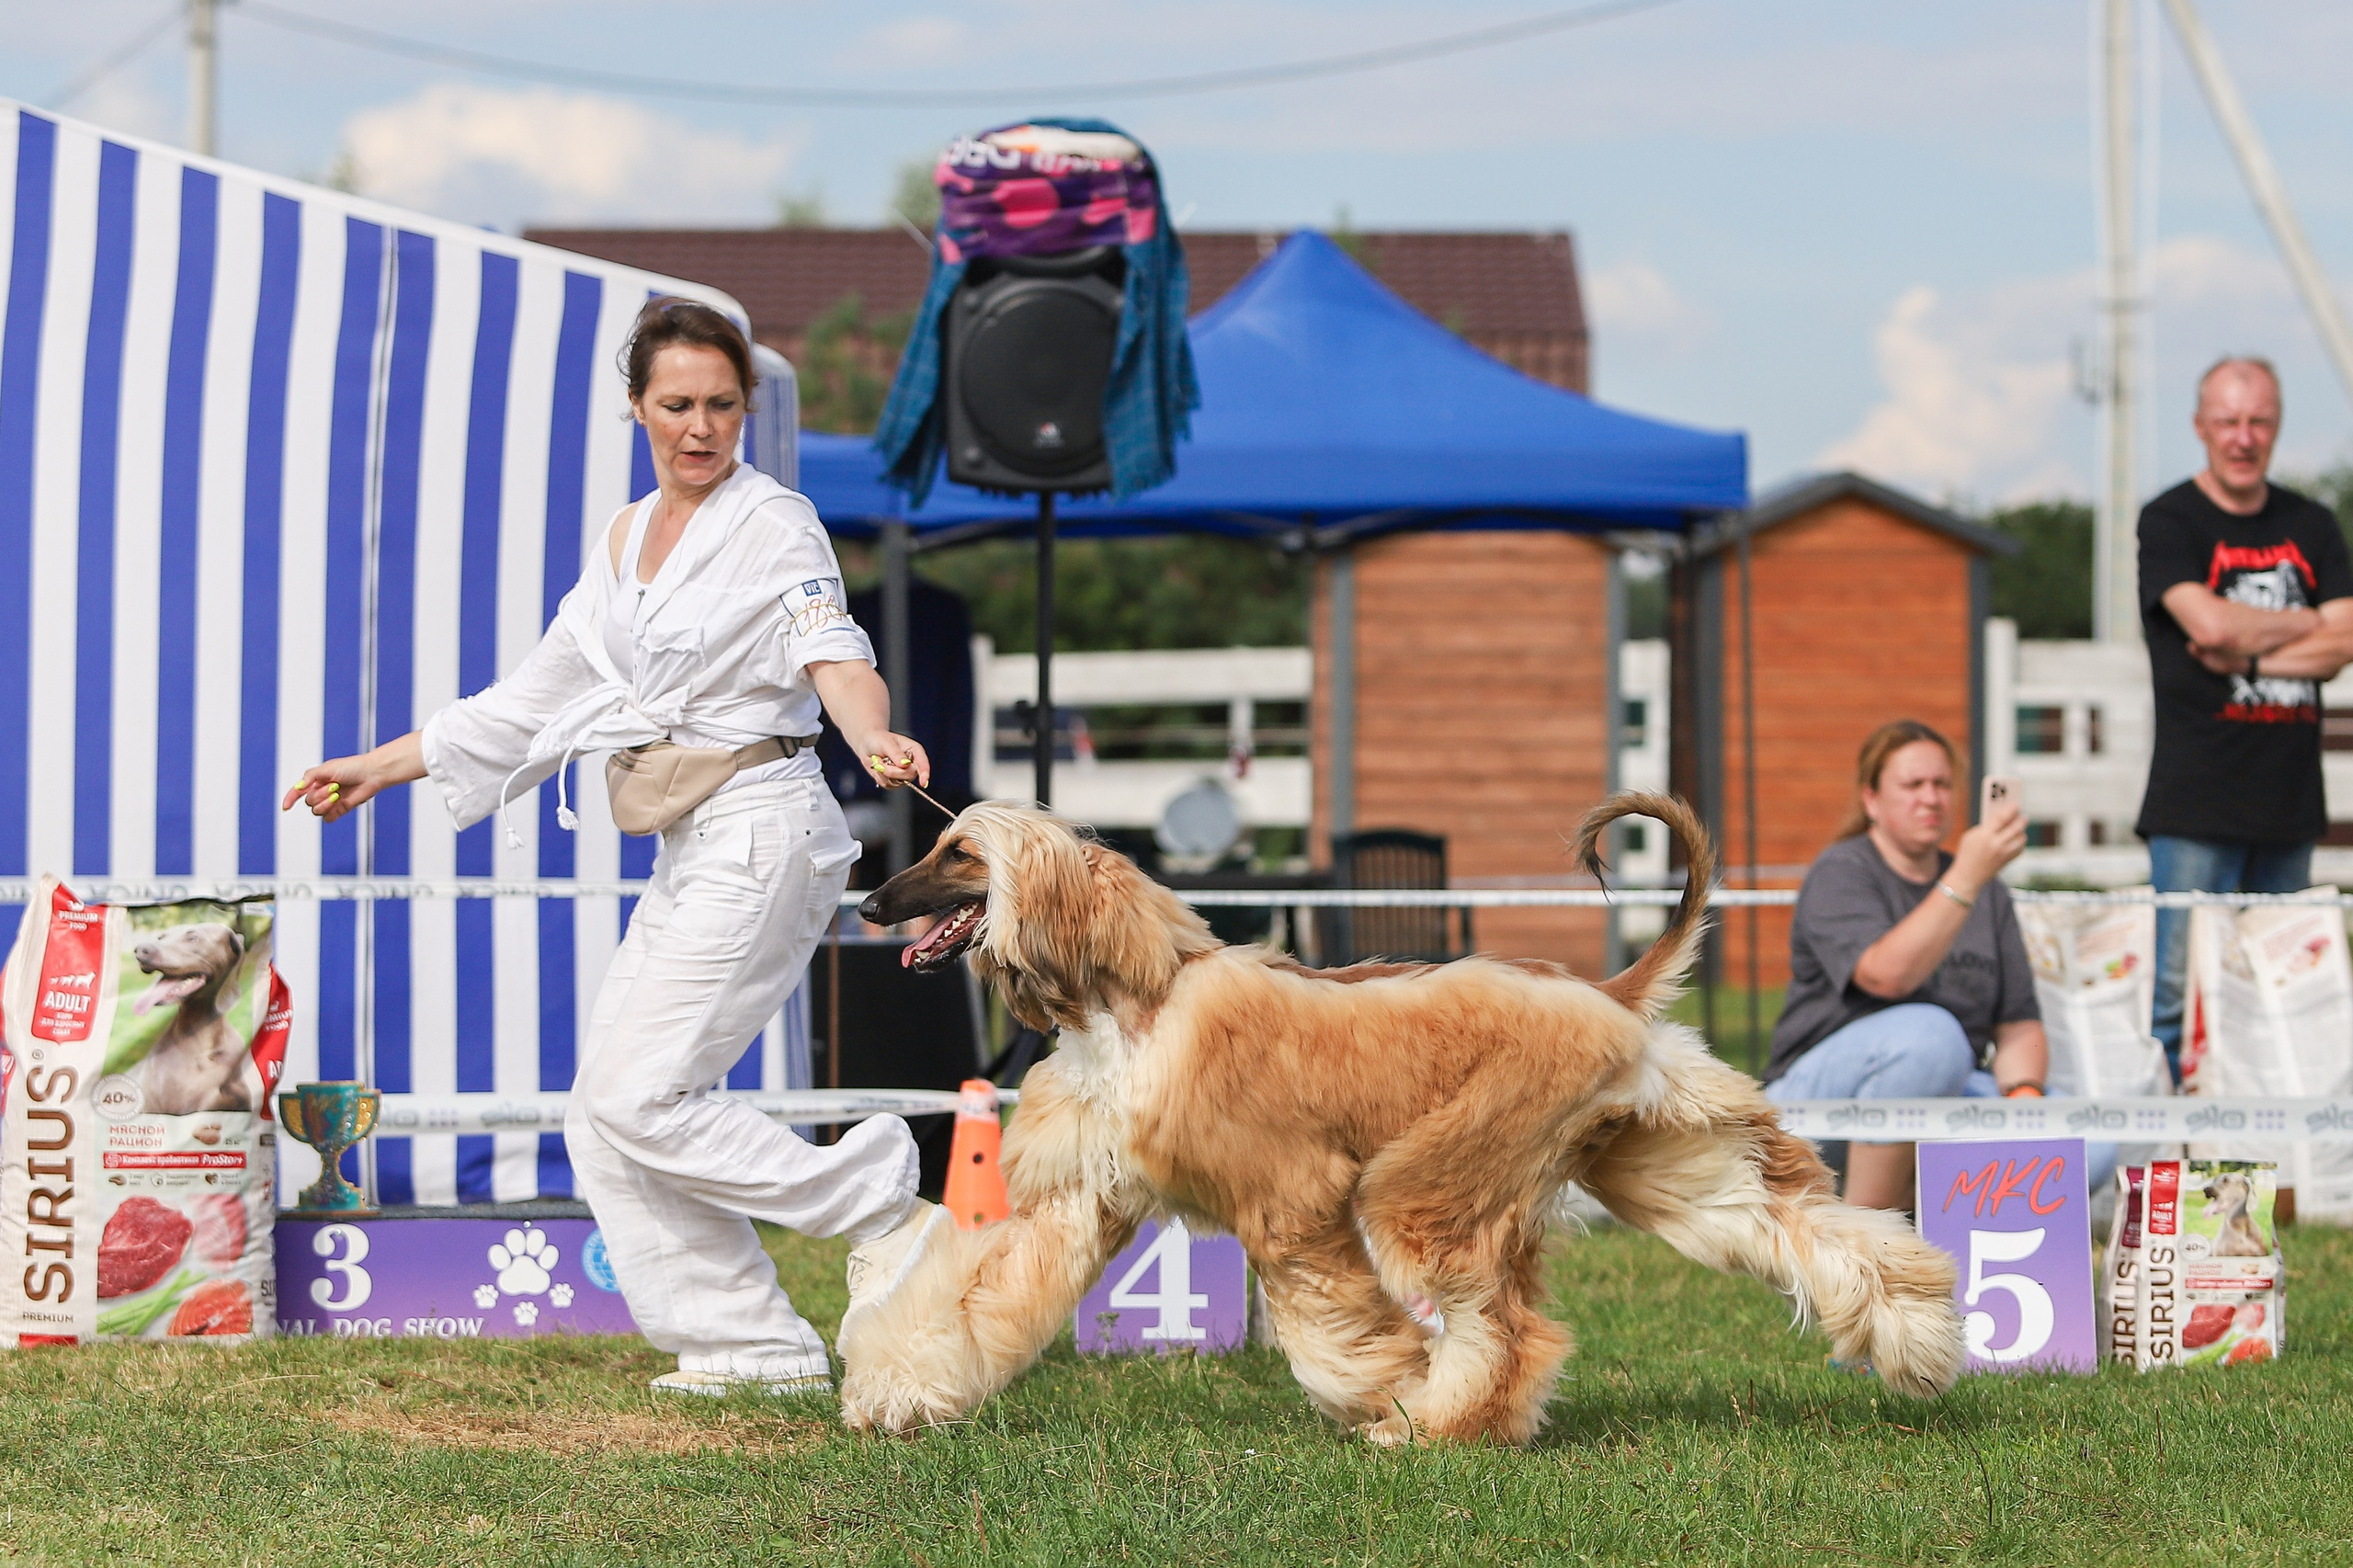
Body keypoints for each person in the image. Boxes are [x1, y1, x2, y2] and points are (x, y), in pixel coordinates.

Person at [284, 299, 948, 1398]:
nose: (701, 426)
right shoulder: (623, 537)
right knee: (600, 1115)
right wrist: (380, 764)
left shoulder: (776, 521)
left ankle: (878, 1202)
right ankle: (748, 1345)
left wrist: (870, 730)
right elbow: (531, 695)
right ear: (637, 406)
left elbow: (831, 650)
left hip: (764, 827)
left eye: (722, 404)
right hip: (692, 842)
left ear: (745, 408)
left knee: (641, 1097)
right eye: (677, 403)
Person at [2137, 356, 2353, 1078]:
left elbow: (2346, 638)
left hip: (2288, 807)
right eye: (2228, 421)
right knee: (2176, 998)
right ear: (2200, 427)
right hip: (2194, 807)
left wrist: (2249, 656)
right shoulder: (2170, 520)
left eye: (2258, 421)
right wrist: (2306, 622)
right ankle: (2169, 1135)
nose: (2243, 437)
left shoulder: (2311, 523)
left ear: (2277, 426)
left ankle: (2268, 1141)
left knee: (2282, 997)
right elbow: (2207, 626)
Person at [1763, 721, 2048, 1211]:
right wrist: (1967, 875)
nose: (1931, 798)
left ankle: (1923, 1207)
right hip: (1816, 1106)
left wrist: (2024, 1099)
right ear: (1872, 800)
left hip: (1947, 1091)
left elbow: (2019, 1023)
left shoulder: (1989, 894)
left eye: (1942, 784)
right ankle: (1866, 1236)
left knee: (2086, 1147)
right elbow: (1887, 976)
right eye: (1913, 785)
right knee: (1931, 1037)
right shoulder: (1842, 871)